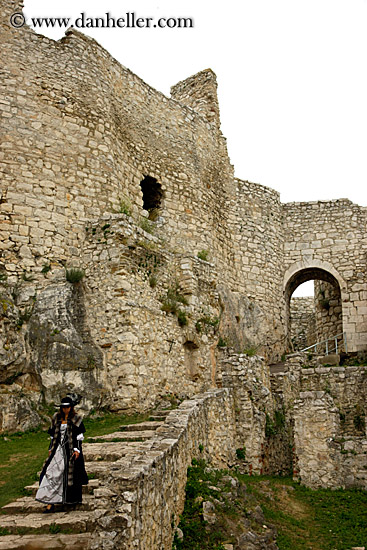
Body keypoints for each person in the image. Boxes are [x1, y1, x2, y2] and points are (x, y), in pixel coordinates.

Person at [36, 396, 88, 513]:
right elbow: (53, 435)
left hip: (70, 450)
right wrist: (51, 448)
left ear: (71, 407)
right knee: (50, 473)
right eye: (64, 407)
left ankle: (68, 500)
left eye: (68, 407)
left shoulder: (76, 418)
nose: (66, 410)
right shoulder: (56, 418)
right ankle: (50, 501)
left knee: (67, 474)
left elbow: (79, 437)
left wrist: (77, 450)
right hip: (57, 449)